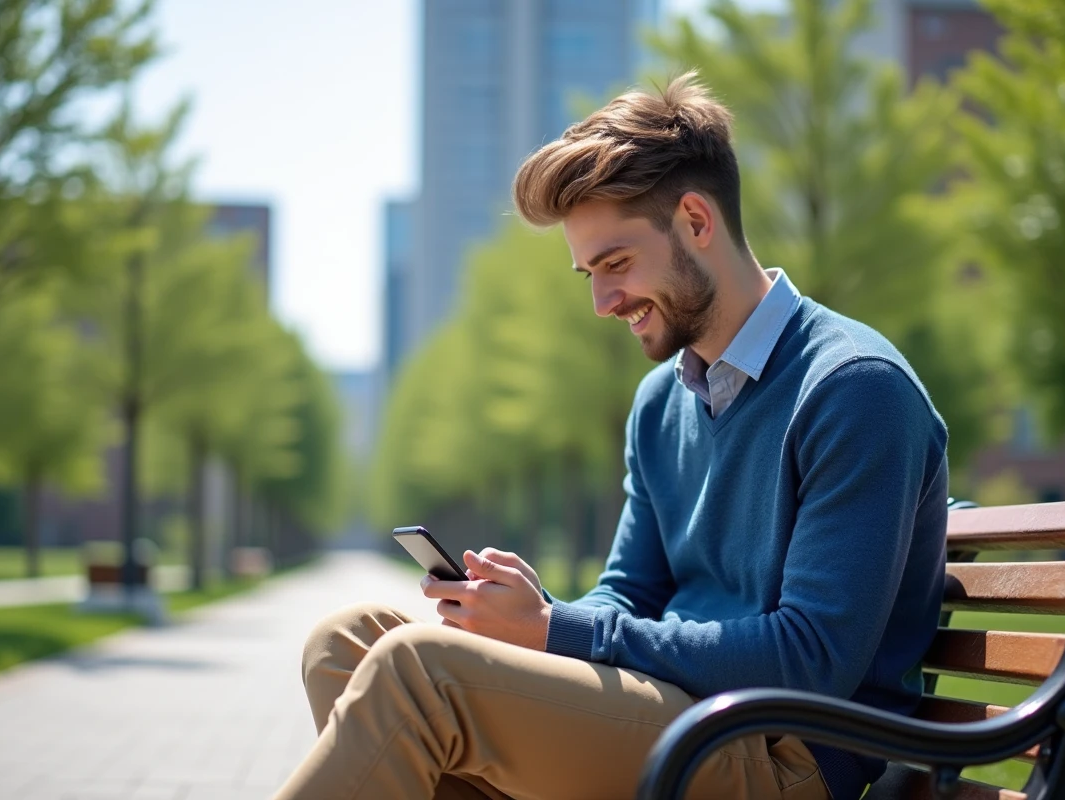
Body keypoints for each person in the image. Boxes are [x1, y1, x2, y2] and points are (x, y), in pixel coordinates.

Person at [273, 73, 948, 800]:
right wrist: (526, 617)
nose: (601, 302)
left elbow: (812, 660)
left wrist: (559, 632)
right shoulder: (663, 401)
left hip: (776, 753)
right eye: (588, 274)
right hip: (678, 717)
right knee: (346, 641)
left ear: (695, 220)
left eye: (616, 264)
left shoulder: (854, 388)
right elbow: (626, 594)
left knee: (418, 671)